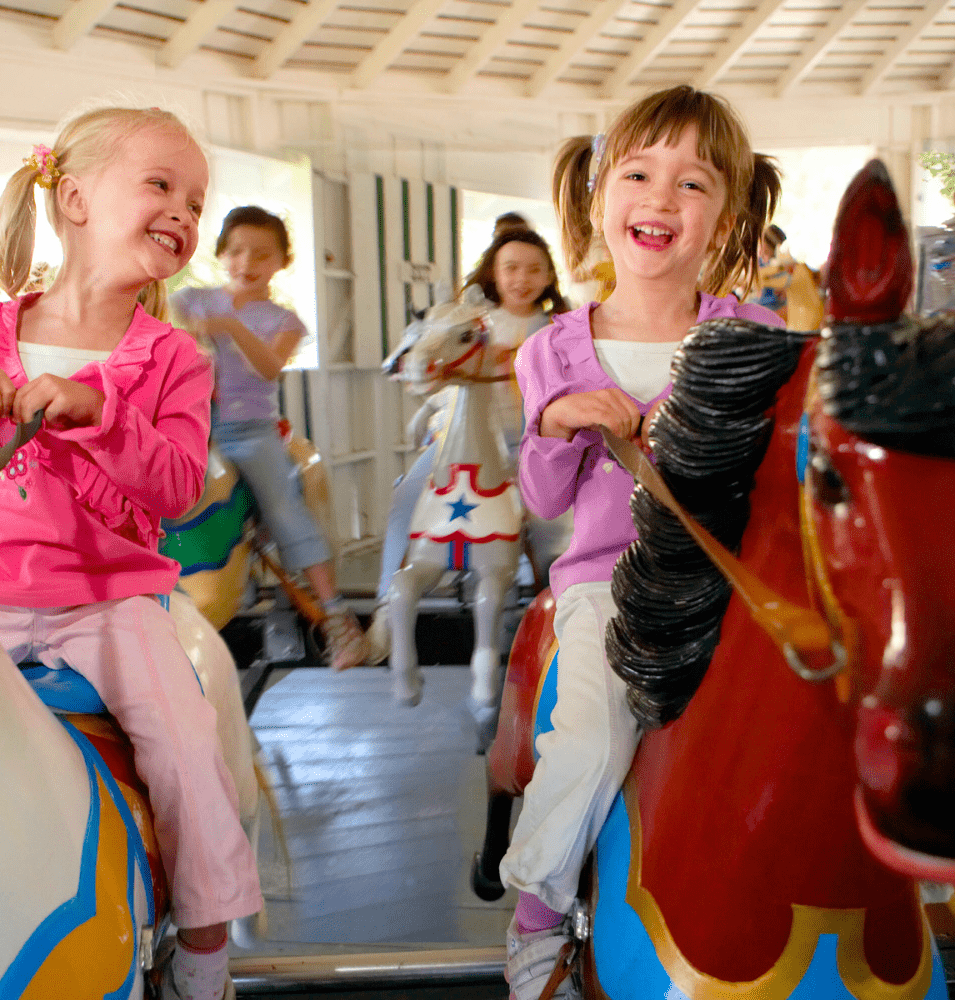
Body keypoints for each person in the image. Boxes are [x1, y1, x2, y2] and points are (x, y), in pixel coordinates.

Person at [0, 105, 261, 1000]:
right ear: (72, 199)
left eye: (196, 199)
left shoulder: (171, 357)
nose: (184, 210)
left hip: (107, 602)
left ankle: (205, 944)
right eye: (160, 185)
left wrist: (103, 413)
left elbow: (178, 486)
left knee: (184, 745)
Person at [499, 85, 785, 1000]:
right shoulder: (551, 348)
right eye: (638, 173)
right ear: (598, 197)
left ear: (726, 216)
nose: (661, 199)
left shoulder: (755, 336)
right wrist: (558, 424)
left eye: (693, 184)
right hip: (611, 589)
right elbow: (543, 499)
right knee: (585, 742)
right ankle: (538, 914)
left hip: (731, 590)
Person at [169, 206, 367, 670]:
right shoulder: (189, 300)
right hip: (187, 425)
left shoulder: (283, 321)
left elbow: (269, 368)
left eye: (261, 254)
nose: (246, 262)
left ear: (281, 261)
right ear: (221, 254)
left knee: (284, 507)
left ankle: (337, 618)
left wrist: (232, 326)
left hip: (247, 432)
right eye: (236, 251)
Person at [362, 227, 570, 665]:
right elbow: (427, 370)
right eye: (511, 268)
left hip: (529, 444)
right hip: (463, 441)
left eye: (535, 269)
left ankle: (562, 611)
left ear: (550, 276)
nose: (522, 279)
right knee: (407, 498)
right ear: (494, 272)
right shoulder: (467, 320)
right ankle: (386, 605)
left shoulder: (557, 329)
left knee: (554, 522)